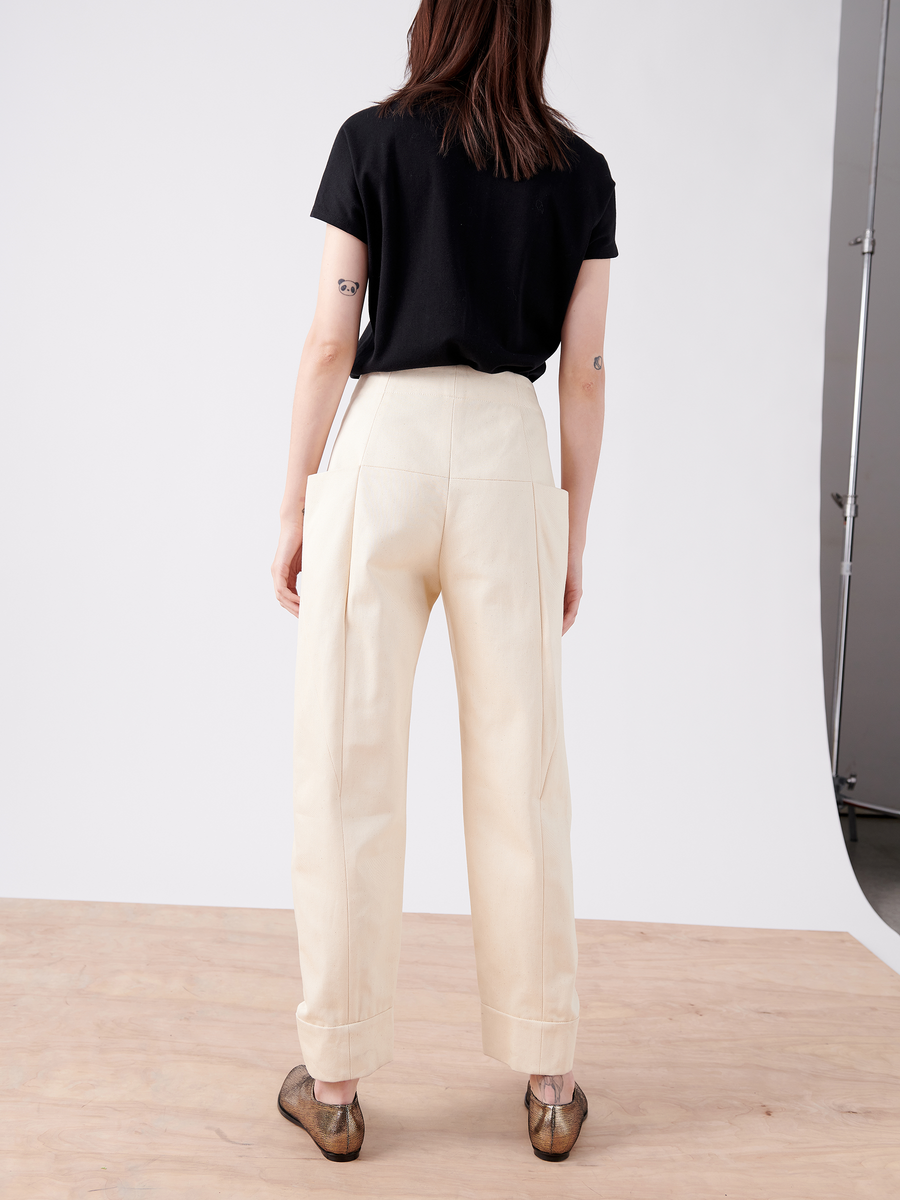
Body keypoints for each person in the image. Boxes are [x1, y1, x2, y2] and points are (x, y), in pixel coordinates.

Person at [270, 0, 616, 1164]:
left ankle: (336, 1079)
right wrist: (568, 531)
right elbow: (587, 374)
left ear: (437, 20)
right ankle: (553, 1078)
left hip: (385, 449)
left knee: (348, 759)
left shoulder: (371, 141)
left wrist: (294, 500)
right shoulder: (582, 171)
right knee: (524, 768)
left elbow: (328, 340)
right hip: (510, 453)